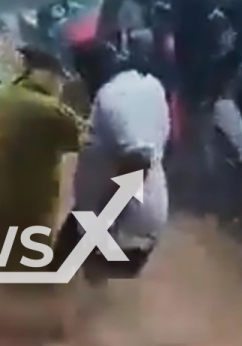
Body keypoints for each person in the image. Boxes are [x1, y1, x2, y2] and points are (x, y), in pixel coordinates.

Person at [54, 35, 170, 283]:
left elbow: (139, 160)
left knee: (86, 291)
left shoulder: (113, 98)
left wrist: (102, 223)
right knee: (60, 270)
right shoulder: (148, 85)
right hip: (111, 213)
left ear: (89, 72)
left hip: (120, 222)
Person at [0, 45, 82, 272]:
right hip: (31, 216)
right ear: (48, 76)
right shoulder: (52, 110)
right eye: (58, 79)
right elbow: (88, 142)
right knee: (31, 290)